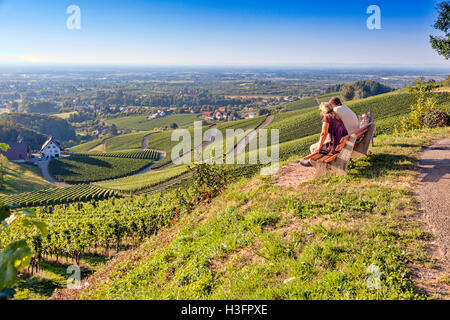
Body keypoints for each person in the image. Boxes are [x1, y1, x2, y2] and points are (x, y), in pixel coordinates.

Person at [300, 102, 348, 167]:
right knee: (321, 144)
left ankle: (316, 164)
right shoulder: (337, 116)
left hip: (334, 147)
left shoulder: (327, 118)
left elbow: (323, 134)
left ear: (323, 110)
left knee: (313, 147)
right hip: (342, 145)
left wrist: (319, 147)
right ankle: (318, 162)